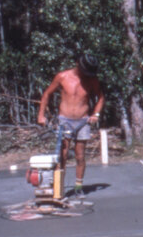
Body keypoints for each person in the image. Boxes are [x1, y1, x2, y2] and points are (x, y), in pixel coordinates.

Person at [37, 54, 104, 195]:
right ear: (78, 65)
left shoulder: (92, 80)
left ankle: (78, 187)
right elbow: (47, 94)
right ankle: (59, 188)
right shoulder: (63, 77)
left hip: (82, 121)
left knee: (80, 156)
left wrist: (96, 114)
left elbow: (101, 98)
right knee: (63, 155)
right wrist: (41, 115)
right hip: (65, 121)